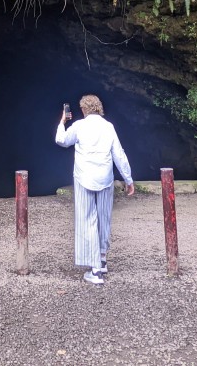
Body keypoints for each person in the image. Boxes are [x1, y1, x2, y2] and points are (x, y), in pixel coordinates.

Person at [55, 94, 134, 285]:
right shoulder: (108, 127)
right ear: (99, 108)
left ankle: (95, 271)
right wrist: (128, 179)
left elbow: (62, 140)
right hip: (105, 178)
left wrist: (62, 121)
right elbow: (119, 154)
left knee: (88, 219)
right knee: (104, 217)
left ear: (83, 109)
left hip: (84, 178)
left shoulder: (79, 126)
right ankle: (102, 259)